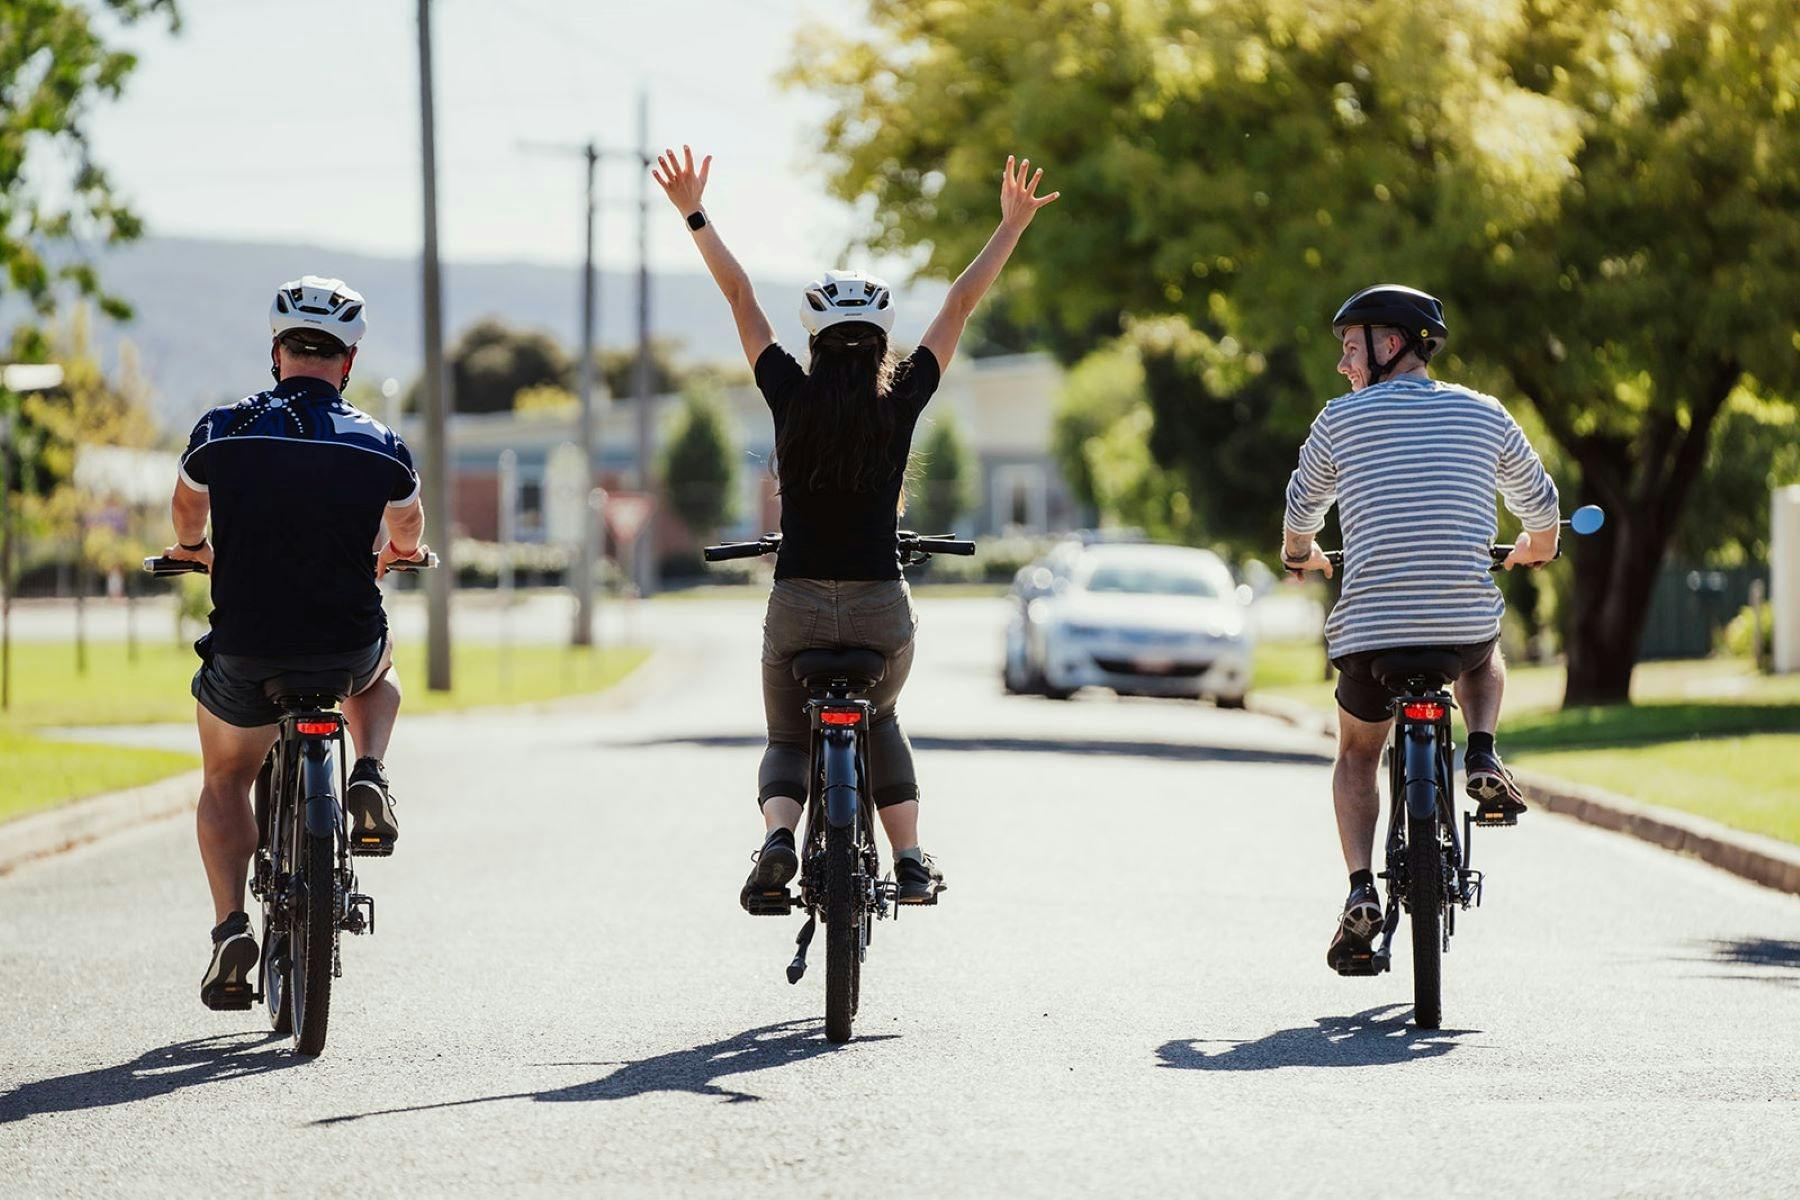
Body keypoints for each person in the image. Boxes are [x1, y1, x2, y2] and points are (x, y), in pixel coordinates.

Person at [651, 145, 1058, 908]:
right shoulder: (898, 402)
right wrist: (1010, 227)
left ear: (812, 343)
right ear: (880, 345)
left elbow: (740, 294)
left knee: (786, 737)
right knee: (884, 715)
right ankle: (908, 857)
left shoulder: (788, 396)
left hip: (798, 602)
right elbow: (959, 305)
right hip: (879, 604)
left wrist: (693, 212)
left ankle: (778, 837)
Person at [1281, 284, 1560, 975]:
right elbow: (1543, 508)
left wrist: (1300, 556)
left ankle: (1358, 889)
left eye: (1351, 348)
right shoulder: (1485, 413)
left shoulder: (1338, 422)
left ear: (1393, 342)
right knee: (1481, 652)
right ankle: (1484, 753)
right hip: (1458, 624)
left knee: (1354, 755)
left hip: (1370, 634)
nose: (1344, 366)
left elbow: (1299, 512)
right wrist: (1536, 545)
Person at [169, 275, 429, 1010]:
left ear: (276, 351)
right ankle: (370, 771)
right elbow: (408, 532)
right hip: (343, 652)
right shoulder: (381, 445)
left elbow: (189, 506)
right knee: (381, 676)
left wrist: (192, 547)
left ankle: (228, 931)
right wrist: (401, 554)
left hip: (247, 653)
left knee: (224, 779)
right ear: (347, 362)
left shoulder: (222, 429)